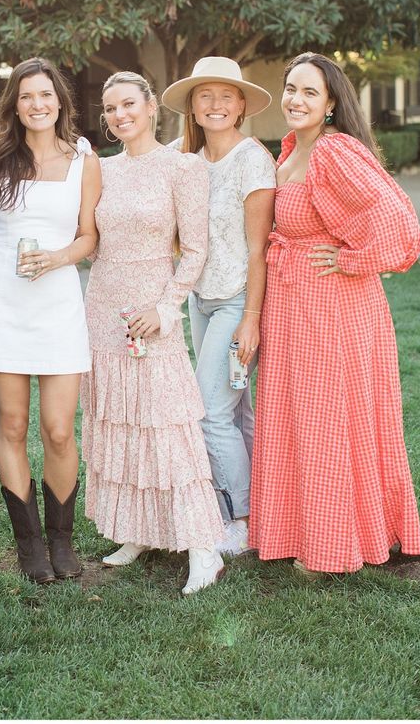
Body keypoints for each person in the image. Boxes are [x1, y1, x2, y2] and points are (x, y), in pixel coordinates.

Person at [249, 52, 420, 574]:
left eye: (309, 92)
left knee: (327, 418)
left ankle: (332, 543)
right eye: (290, 89)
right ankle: (299, 530)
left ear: (330, 104)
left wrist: (353, 258)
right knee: (296, 417)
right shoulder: (287, 153)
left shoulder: (335, 152)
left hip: (332, 307)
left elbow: (398, 224)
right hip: (290, 306)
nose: (295, 100)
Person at [81, 71, 226, 595]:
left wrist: (165, 308)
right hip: (103, 305)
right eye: (110, 108)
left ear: (149, 108)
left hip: (152, 311)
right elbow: (92, 240)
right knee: (120, 421)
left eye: (128, 105)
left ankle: (203, 546)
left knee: (166, 425)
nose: (120, 116)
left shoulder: (181, 166)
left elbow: (195, 248)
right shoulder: (101, 168)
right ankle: (137, 530)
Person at [0, 57, 102, 582]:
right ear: (15, 106)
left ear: (60, 101)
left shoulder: (85, 159)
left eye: (45, 95)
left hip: (59, 303)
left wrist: (57, 258)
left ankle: (62, 541)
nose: (37, 104)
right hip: (4, 301)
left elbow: (89, 236)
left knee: (59, 430)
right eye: (26, 97)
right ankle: (29, 547)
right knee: (14, 424)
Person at [161, 57, 276, 558]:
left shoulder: (253, 161)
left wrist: (250, 318)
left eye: (226, 96)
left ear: (242, 105)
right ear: (191, 105)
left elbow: (258, 249)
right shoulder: (185, 157)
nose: (215, 105)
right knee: (237, 411)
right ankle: (266, 510)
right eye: (204, 95)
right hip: (199, 300)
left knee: (210, 411)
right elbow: (138, 164)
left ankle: (242, 519)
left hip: (234, 301)